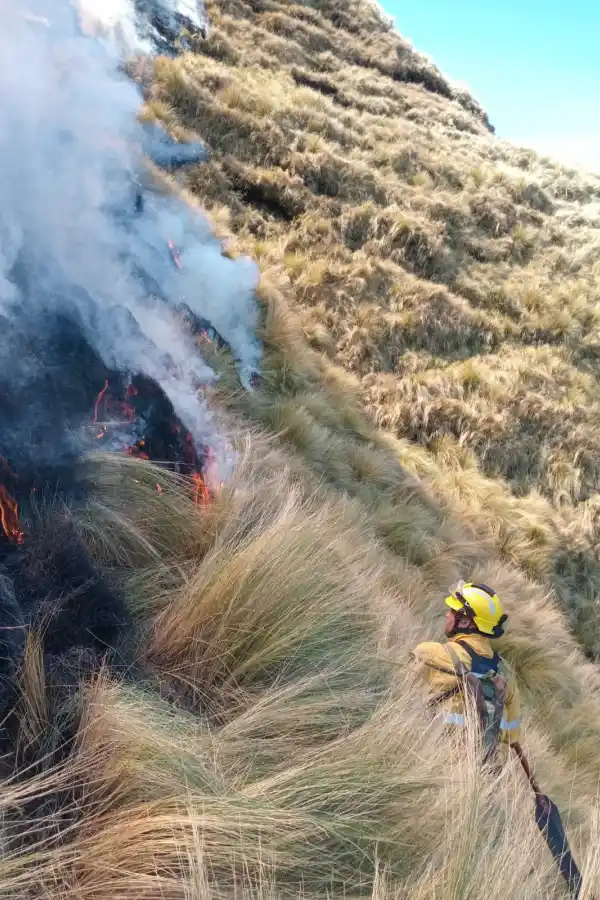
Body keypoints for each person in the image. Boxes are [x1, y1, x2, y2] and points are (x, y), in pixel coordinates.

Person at [411, 581, 522, 763]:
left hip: (430, 758)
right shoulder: (505, 672)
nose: (447, 614)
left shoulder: (429, 653)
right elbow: (512, 735)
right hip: (480, 768)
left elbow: (396, 691)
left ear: (465, 621)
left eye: (452, 610)